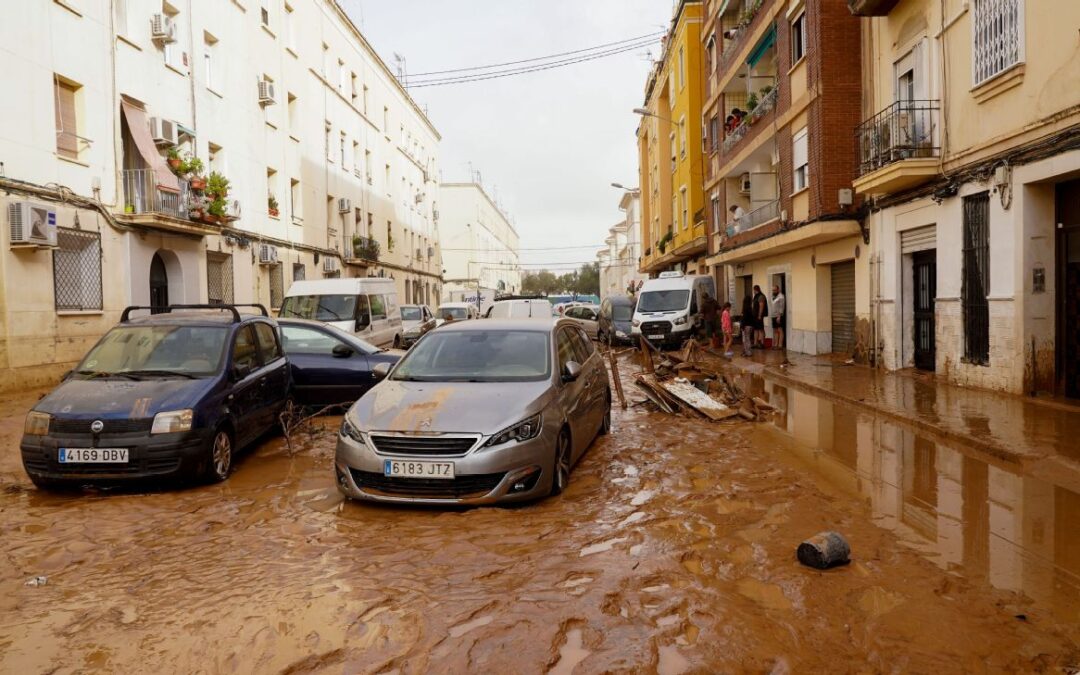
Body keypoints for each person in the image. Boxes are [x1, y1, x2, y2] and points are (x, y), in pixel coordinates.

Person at [771, 285, 786, 350]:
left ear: (778, 290)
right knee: (775, 330)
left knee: (780, 330)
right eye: (773, 290)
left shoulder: (781, 297)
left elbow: (781, 307)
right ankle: (776, 344)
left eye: (774, 290)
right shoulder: (773, 296)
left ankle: (780, 345)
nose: (773, 291)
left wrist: (779, 316)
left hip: (779, 316)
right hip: (773, 315)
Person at [740, 292, 755, 357]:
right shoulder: (750, 308)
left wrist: (742, 326)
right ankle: (746, 351)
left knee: (746, 339)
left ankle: (748, 352)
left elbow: (744, 318)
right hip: (750, 325)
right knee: (747, 338)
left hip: (746, 326)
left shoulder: (745, 309)